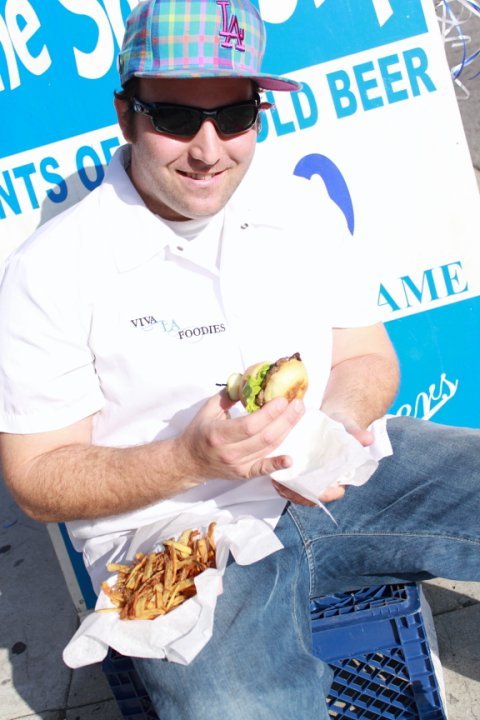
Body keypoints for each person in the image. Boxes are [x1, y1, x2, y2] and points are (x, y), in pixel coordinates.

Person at [0, 1, 479, 718]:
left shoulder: (300, 207)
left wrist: (330, 437)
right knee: (236, 707)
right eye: (172, 117)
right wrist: (190, 458)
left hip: (333, 484)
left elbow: (364, 356)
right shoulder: (51, 269)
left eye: (233, 116)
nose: (208, 148)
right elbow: (37, 479)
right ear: (126, 115)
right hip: (165, 533)